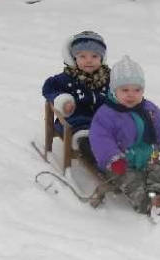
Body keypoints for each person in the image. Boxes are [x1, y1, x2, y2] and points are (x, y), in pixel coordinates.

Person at [89, 55, 160, 224]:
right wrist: (114, 159)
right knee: (132, 182)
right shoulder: (106, 114)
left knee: (158, 172)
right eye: (125, 90)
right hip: (121, 164)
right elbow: (101, 139)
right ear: (114, 91)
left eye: (136, 90)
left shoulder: (149, 109)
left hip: (147, 157)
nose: (131, 95)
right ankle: (149, 205)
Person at [42, 30, 110, 165]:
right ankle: (103, 165)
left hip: (105, 121)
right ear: (74, 58)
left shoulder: (110, 78)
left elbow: (124, 91)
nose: (88, 60)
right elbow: (49, 88)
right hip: (77, 122)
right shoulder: (66, 78)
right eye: (82, 56)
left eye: (94, 56)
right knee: (89, 142)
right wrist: (63, 100)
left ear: (101, 58)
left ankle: (130, 164)